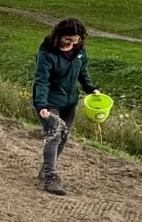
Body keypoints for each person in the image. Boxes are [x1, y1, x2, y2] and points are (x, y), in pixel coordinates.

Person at [31, 16, 99, 197]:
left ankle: (45, 170)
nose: (72, 43)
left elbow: (82, 70)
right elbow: (42, 80)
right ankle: (50, 178)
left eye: (76, 40)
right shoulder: (47, 53)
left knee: (63, 137)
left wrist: (90, 88)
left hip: (69, 101)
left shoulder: (79, 50)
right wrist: (42, 104)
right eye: (68, 39)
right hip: (49, 101)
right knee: (54, 134)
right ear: (59, 35)